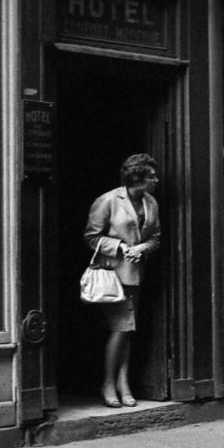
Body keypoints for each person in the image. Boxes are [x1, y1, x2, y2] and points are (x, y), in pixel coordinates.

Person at [83, 153, 161, 407]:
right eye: (151, 177)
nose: (156, 180)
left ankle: (121, 381)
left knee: (128, 329)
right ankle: (110, 382)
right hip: (112, 275)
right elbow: (91, 237)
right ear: (137, 178)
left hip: (135, 274)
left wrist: (142, 249)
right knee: (121, 328)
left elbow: (156, 237)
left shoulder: (151, 202)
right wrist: (120, 247)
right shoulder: (108, 201)